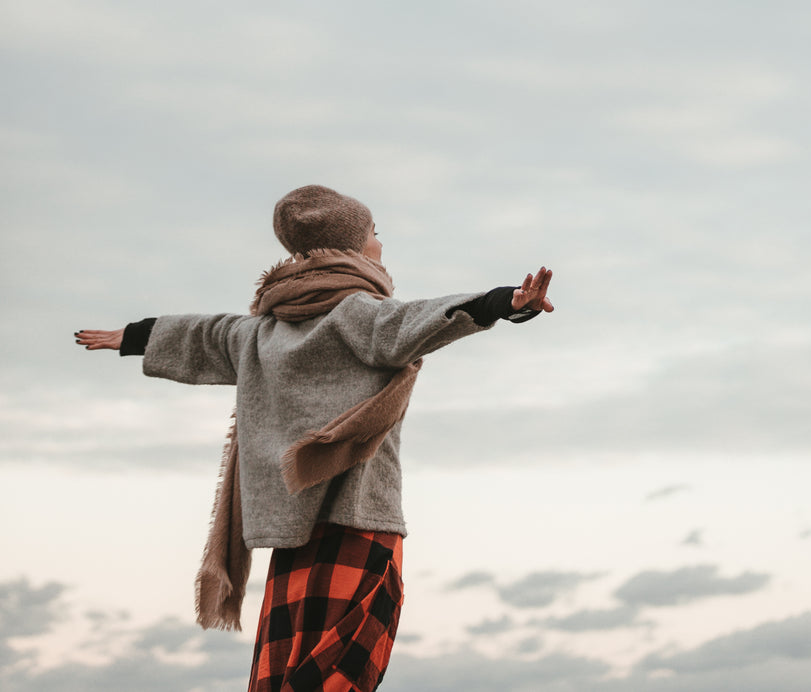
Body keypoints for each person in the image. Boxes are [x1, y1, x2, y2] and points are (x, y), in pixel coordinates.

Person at [74, 182, 554, 692]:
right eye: (374, 233)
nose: (381, 244)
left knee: (283, 676)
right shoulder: (360, 315)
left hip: (292, 530)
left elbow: (204, 335)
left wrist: (134, 335)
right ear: (350, 249)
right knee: (340, 675)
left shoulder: (260, 334)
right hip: (361, 526)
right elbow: (422, 319)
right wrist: (507, 302)